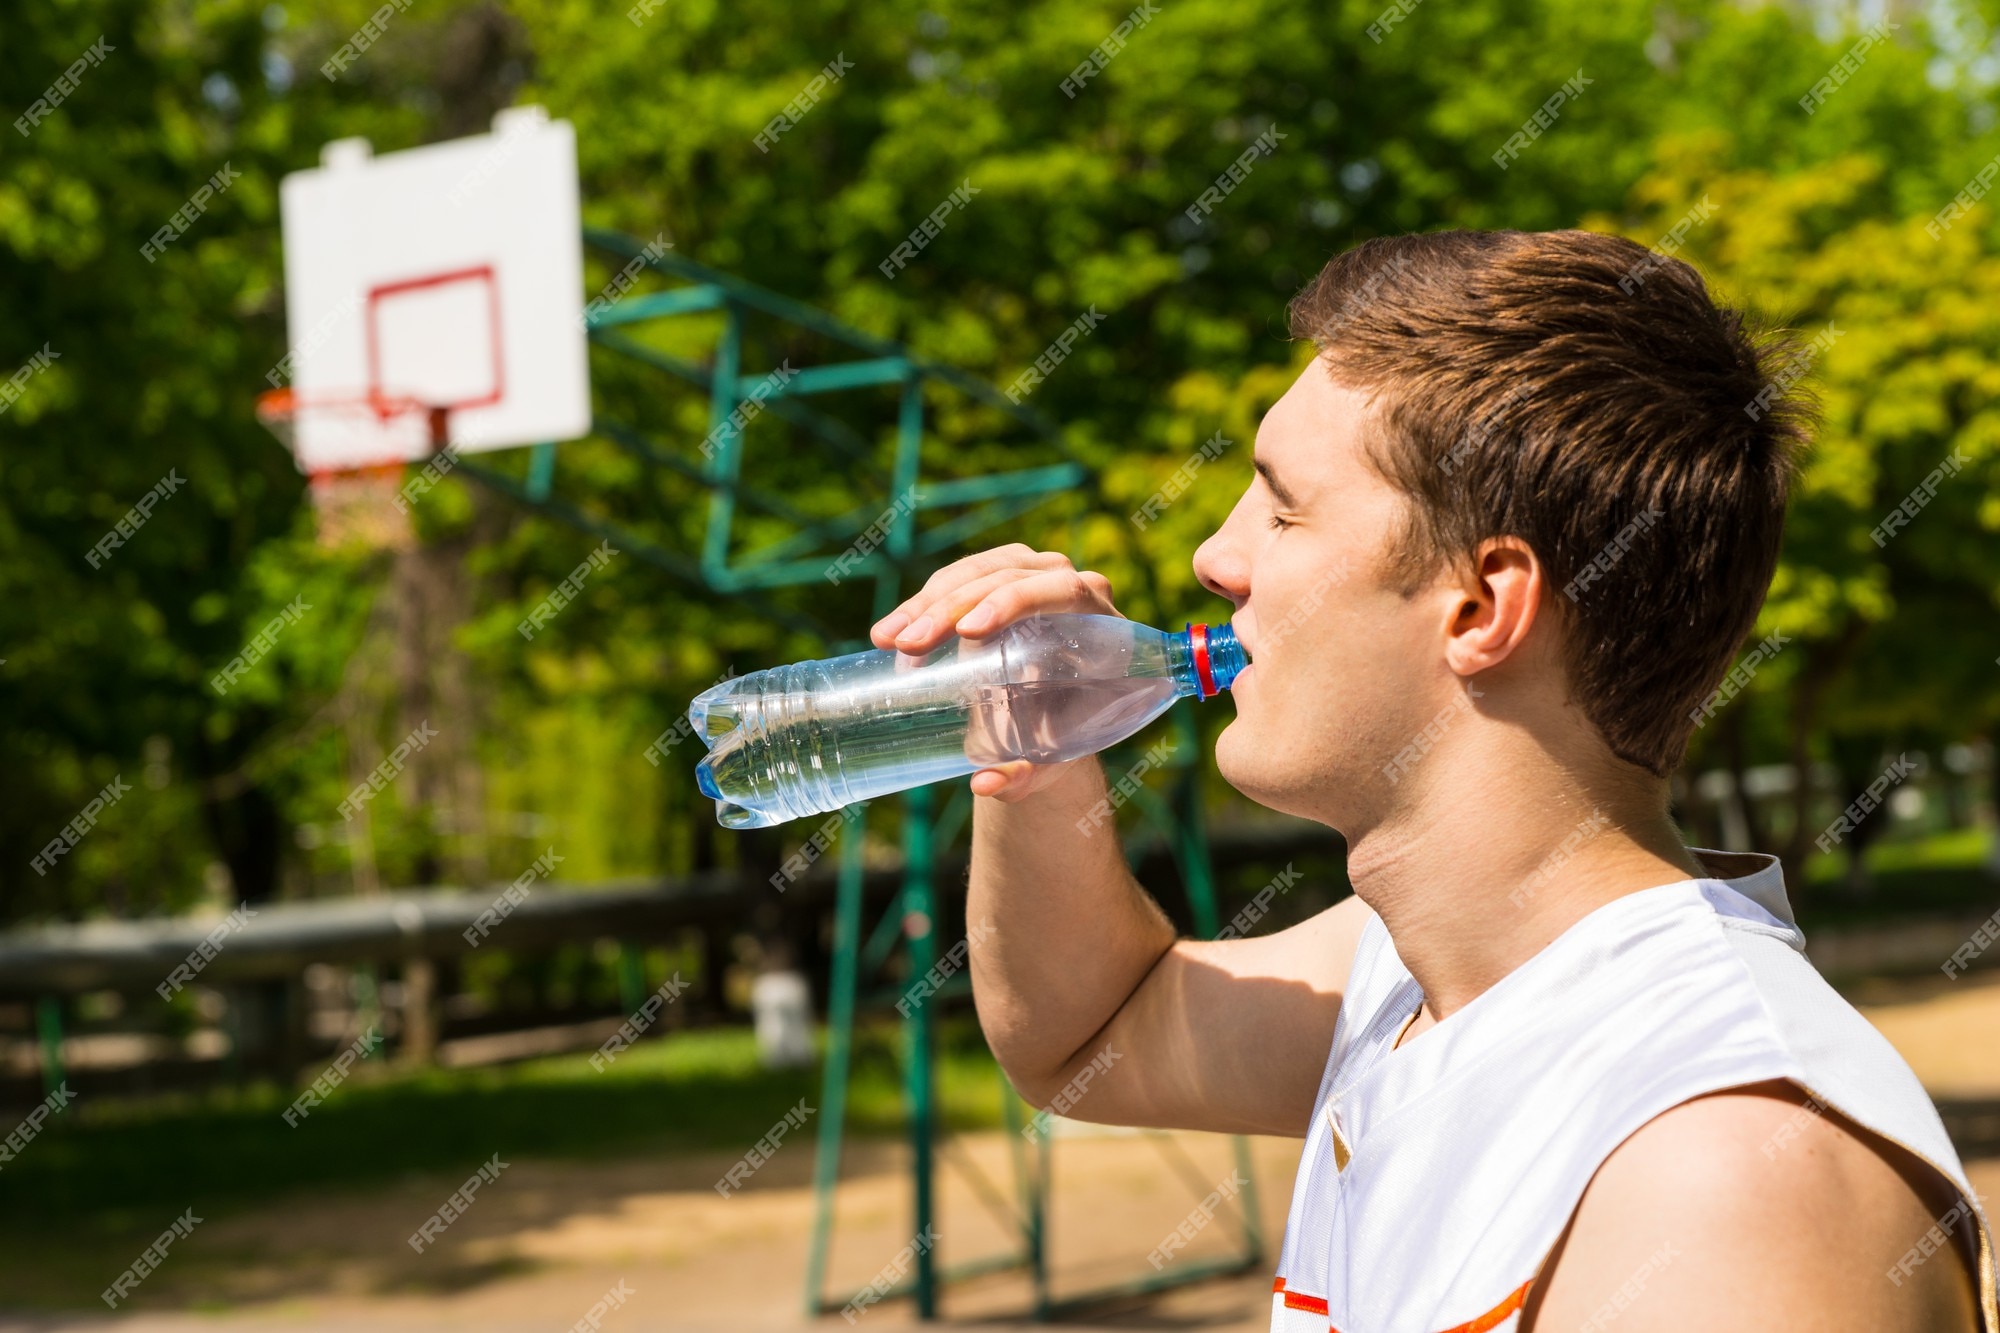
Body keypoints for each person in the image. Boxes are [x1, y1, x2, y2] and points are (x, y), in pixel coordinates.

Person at [869, 230, 1995, 1332]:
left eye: (1281, 505)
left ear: (1478, 607)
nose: (1215, 556)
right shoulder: (1416, 974)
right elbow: (1086, 1036)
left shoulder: (1729, 1175)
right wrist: (1036, 757)